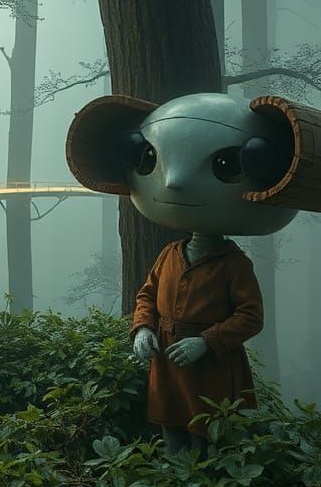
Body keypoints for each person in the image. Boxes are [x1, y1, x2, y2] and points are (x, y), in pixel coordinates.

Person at [65, 92, 321, 454]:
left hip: (212, 366)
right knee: (171, 427)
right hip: (168, 360)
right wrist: (142, 328)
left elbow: (250, 317)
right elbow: (147, 296)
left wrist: (208, 341)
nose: (172, 183)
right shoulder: (170, 254)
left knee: (211, 434)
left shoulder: (233, 264)